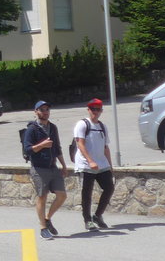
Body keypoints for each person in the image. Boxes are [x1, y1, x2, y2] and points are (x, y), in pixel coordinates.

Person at [23, 100, 68, 239]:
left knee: (62, 195)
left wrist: (63, 165)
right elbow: (27, 149)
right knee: (42, 197)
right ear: (36, 112)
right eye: (42, 110)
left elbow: (57, 147)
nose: (45, 112)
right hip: (39, 168)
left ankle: (47, 218)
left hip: (53, 166)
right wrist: (42, 145)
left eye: (47, 109)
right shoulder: (31, 129)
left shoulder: (53, 127)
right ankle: (43, 227)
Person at [73, 97, 114, 231]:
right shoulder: (82, 124)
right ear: (88, 109)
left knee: (109, 188)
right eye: (92, 109)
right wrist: (90, 161)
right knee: (87, 192)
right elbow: (80, 144)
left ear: (101, 110)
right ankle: (87, 220)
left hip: (101, 164)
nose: (95, 112)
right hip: (86, 164)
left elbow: (105, 147)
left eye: (98, 109)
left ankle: (97, 215)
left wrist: (110, 165)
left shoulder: (102, 126)